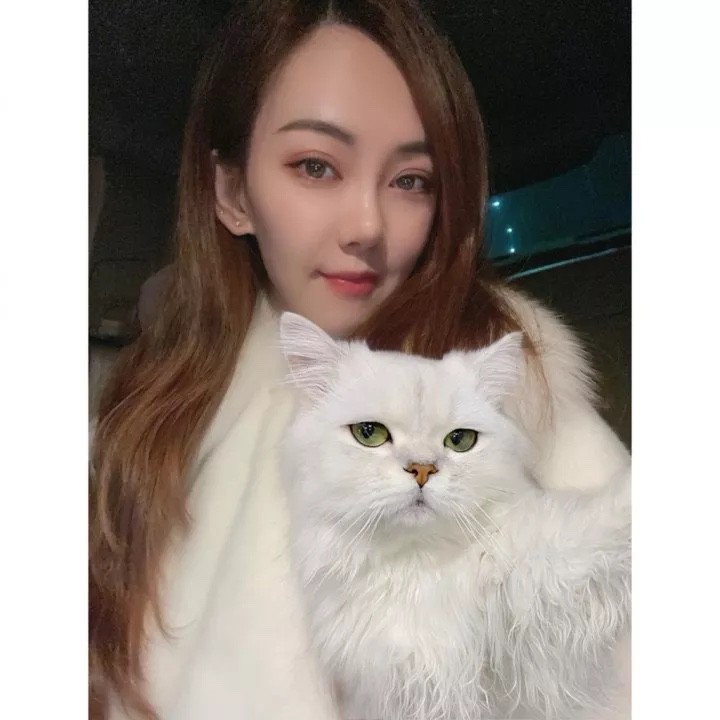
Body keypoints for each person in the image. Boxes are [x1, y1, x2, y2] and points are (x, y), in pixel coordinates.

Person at [89, 1, 631, 718]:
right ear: (232, 192)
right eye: (315, 166)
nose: (368, 226)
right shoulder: (144, 414)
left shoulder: (519, 400)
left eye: (412, 180)